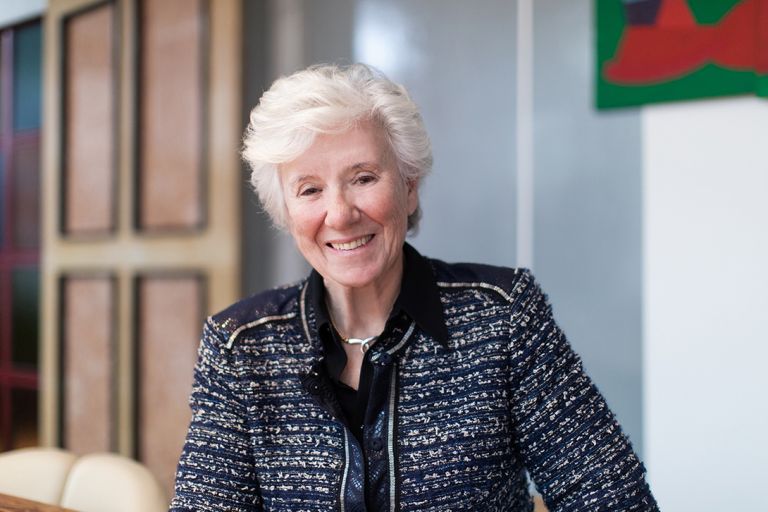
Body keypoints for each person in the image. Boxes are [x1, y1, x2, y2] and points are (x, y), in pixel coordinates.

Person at [170, 63, 658, 512]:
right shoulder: (241, 345)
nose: (340, 214)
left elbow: (614, 499)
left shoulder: (503, 316)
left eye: (363, 178)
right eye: (310, 189)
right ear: (286, 211)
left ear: (408, 187)